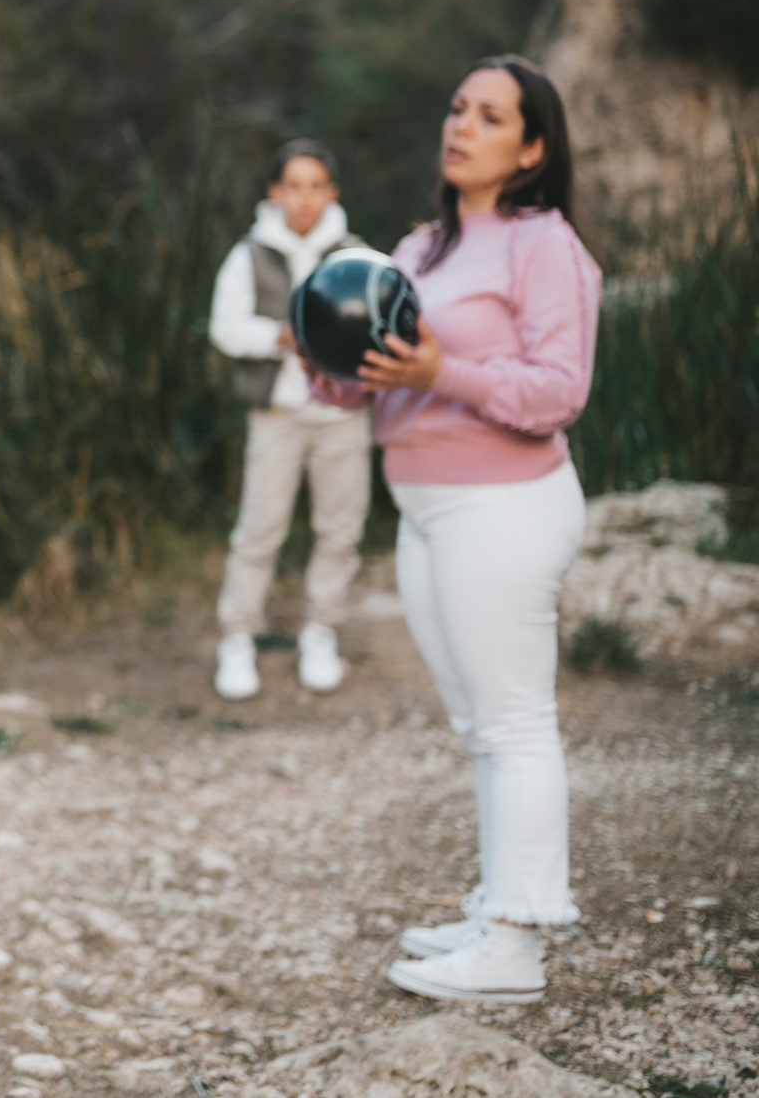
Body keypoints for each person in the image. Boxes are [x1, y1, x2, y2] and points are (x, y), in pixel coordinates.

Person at [313, 55, 600, 1006]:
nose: (462, 125)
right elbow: (378, 378)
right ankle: (496, 907)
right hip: (427, 508)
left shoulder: (542, 244)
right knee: (480, 724)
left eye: (490, 115)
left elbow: (558, 392)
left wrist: (442, 370)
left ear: (531, 147)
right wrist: (329, 361)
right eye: (455, 107)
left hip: (505, 506)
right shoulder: (418, 249)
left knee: (517, 724)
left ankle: (516, 948)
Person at [207, 140, 371, 700]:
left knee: (339, 527)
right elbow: (225, 328)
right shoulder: (249, 254)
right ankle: (238, 636)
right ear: (274, 193)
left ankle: (321, 630)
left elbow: (377, 321)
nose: (304, 199)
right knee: (260, 528)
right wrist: (279, 336)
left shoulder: (353, 254)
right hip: (275, 413)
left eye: (316, 186)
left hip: (341, 414)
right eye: (293, 186)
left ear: (332, 192)